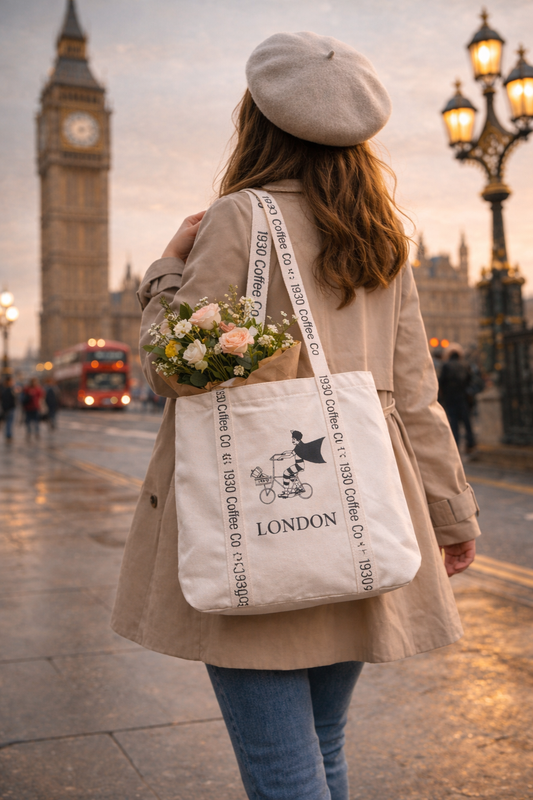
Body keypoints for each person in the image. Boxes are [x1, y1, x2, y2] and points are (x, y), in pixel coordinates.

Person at [112, 32, 481, 800]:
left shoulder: (239, 219)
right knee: (323, 745)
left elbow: (175, 370)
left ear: (258, 121)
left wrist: (165, 273)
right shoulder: (383, 239)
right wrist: (449, 513)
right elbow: (415, 397)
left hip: (261, 515)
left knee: (284, 771)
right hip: (361, 505)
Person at [439, 346, 477, 453]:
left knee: (454, 422)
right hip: (463, 397)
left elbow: (441, 382)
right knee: (467, 422)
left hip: (451, 398)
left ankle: (455, 445)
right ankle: (471, 443)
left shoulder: (446, 365)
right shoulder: (465, 364)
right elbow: (470, 381)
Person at [1, 376, 16, 441]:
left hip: (8, 408)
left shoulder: (6, 389)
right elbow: (6, 400)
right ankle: (8, 435)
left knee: (8, 422)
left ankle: (8, 434)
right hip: (9, 409)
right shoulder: (8, 390)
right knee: (9, 422)